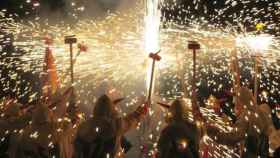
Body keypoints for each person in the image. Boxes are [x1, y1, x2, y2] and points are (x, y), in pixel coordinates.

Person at [74, 94, 148, 158]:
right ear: (110, 110)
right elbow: (129, 122)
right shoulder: (112, 125)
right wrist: (138, 113)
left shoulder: (83, 126)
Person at [206, 87, 270, 158]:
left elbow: (234, 137)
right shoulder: (259, 111)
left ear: (241, 100)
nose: (235, 102)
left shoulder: (245, 115)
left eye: (236, 99)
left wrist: (216, 135)